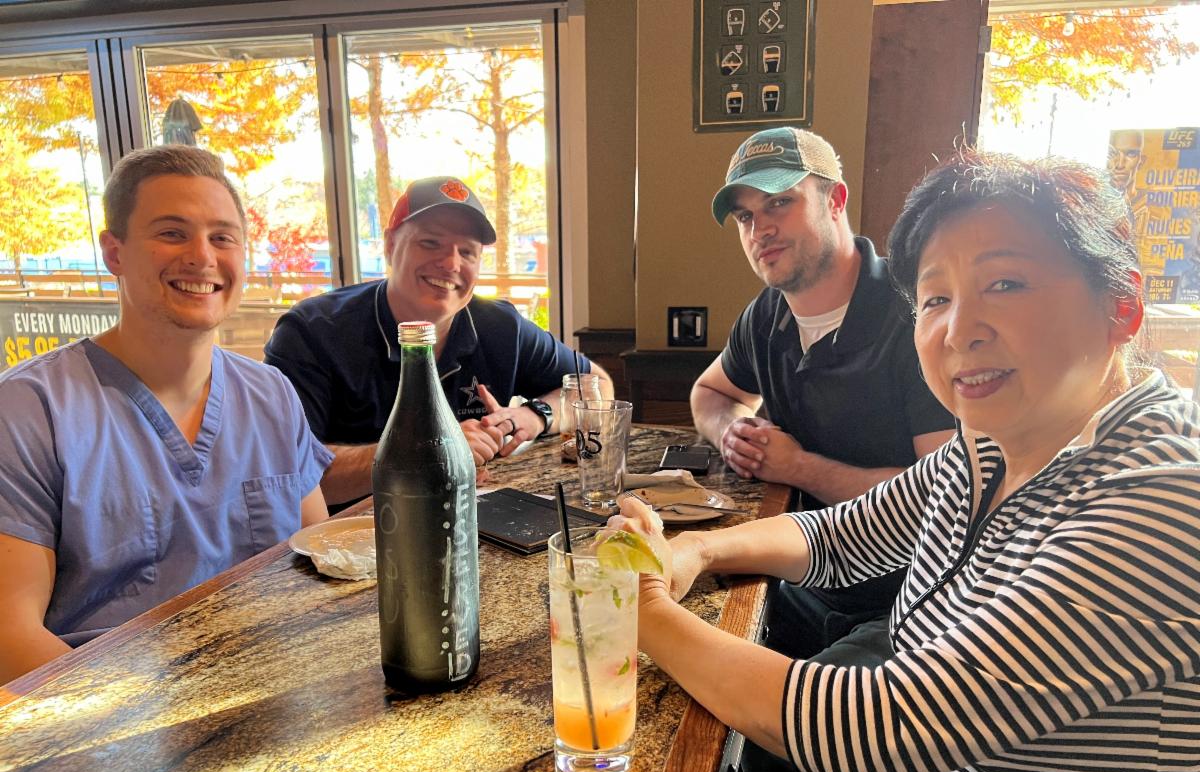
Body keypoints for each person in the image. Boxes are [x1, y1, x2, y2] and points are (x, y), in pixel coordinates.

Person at [612, 149, 1200, 772]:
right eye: (934, 298)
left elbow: (879, 729)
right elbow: (835, 536)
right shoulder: (988, 449)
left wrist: (643, 612)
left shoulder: (1165, 496)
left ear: (1122, 307)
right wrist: (693, 550)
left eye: (1005, 283)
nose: (959, 330)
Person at [0, 146, 332, 684]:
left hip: (280, 686)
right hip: (109, 717)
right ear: (114, 253)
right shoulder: (29, 411)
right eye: (172, 233)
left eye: (222, 237)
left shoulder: (270, 394)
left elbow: (323, 561)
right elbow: (10, 638)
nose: (202, 256)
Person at [692, 127, 954, 664]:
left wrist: (798, 468)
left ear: (835, 200)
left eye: (779, 203)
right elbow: (710, 391)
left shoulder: (914, 316)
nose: (760, 229)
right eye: (745, 217)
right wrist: (731, 431)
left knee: (767, 705)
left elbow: (941, 498)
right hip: (802, 578)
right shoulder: (766, 314)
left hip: (908, 603)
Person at [264, 176, 612, 506]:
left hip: (474, 517)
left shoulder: (501, 326)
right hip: (352, 535)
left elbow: (597, 385)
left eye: (468, 252)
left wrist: (536, 415)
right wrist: (426, 452)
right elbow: (288, 474)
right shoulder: (313, 331)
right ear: (390, 245)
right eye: (430, 243)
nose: (450, 263)